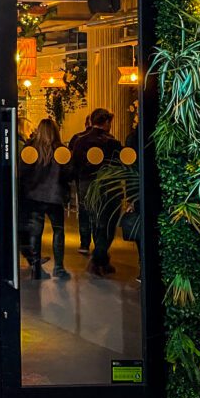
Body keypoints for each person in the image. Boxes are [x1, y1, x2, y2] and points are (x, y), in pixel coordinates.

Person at [70, 108, 122, 277]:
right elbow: (119, 166)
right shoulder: (112, 142)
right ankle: (98, 258)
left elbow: (74, 165)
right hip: (108, 186)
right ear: (106, 122)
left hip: (86, 185)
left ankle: (102, 259)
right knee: (107, 222)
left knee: (96, 220)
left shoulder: (80, 140)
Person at [21, 119, 70, 279]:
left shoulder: (31, 149)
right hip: (55, 197)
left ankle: (36, 269)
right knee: (58, 231)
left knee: (35, 232)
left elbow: (23, 172)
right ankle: (59, 267)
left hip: (35, 197)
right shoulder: (61, 150)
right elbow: (70, 173)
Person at [69, 115, 93, 253]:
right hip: (99, 179)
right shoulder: (109, 139)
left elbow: (72, 159)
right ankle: (99, 244)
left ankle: (84, 243)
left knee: (83, 209)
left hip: (82, 178)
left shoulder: (77, 138)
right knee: (97, 210)